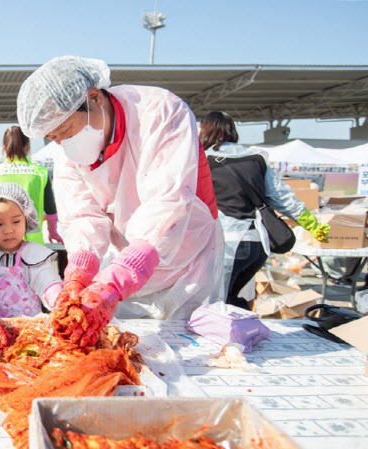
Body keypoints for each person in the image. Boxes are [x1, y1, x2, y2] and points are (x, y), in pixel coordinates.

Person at [17, 56, 223, 346]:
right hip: (126, 260)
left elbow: (168, 204)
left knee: (193, 348)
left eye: (65, 131)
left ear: (94, 98)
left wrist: (114, 281)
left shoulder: (160, 112)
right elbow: (81, 216)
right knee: (125, 347)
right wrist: (79, 272)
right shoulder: (67, 153)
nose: (62, 143)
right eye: (53, 137)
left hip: (189, 260)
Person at [199, 111, 329, 309]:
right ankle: (246, 334)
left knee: (216, 305)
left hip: (227, 245)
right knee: (232, 300)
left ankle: (235, 336)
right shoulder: (256, 159)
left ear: (206, 130)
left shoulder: (203, 161)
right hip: (258, 245)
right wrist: (312, 225)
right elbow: (283, 198)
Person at [0, 183, 63, 351]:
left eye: (16, 221)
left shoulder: (35, 255)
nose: (8, 230)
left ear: (27, 219)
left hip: (32, 336)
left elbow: (48, 282)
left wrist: (59, 301)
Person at [0, 126, 63, 245]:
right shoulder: (40, 173)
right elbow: (51, 210)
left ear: (4, 148)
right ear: (27, 146)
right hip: (33, 243)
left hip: (1, 242)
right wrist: (53, 232)